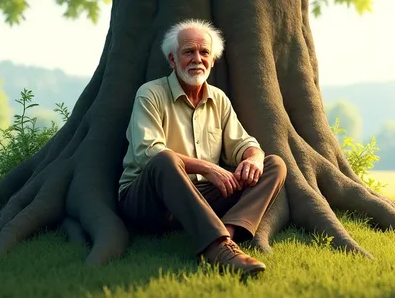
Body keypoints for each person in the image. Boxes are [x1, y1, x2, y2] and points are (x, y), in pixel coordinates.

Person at [118, 19, 287, 276]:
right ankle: (218, 247)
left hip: (201, 196)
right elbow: (147, 153)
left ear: (212, 59)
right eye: (188, 52)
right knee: (165, 159)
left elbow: (244, 143)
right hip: (149, 200)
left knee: (273, 164)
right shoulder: (150, 93)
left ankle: (225, 237)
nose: (197, 58)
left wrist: (253, 157)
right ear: (173, 60)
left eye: (204, 52)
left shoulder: (218, 98)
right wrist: (207, 167)